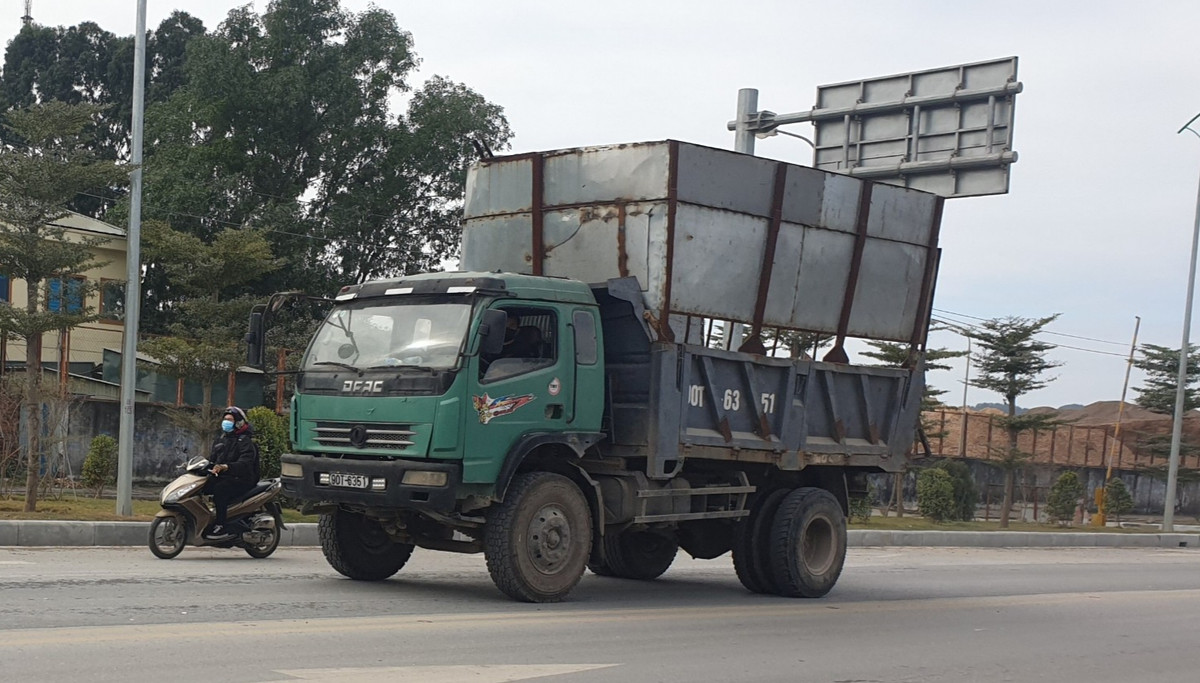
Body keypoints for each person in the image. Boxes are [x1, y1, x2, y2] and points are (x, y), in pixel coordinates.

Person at [204, 406, 260, 539]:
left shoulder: (245, 441)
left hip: (243, 479)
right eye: (225, 419)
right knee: (202, 486)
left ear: (238, 422)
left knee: (220, 490)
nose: (226, 422)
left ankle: (221, 525)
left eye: (230, 420)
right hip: (225, 476)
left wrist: (226, 467)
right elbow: (212, 459)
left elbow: (245, 464)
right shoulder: (222, 439)